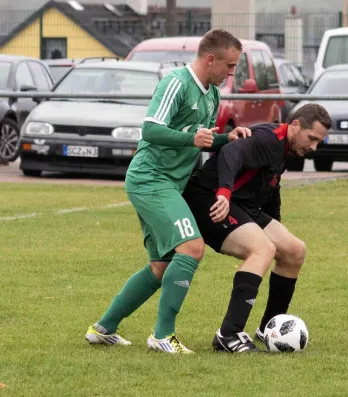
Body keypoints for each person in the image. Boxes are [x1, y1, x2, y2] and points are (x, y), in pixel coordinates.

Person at [85, 29, 250, 354]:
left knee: (161, 266)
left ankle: (102, 329)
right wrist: (192, 139)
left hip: (169, 184)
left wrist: (226, 139)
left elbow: (201, 137)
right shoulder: (176, 82)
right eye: (229, 66)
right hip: (151, 179)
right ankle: (162, 335)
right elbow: (150, 128)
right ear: (210, 58)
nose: (231, 74)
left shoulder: (212, 94)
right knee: (191, 248)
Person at [182, 103, 332, 353]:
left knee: (294, 250)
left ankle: (270, 328)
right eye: (312, 138)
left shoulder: (286, 147)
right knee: (262, 249)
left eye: (319, 142)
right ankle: (228, 335)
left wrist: (276, 223)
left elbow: (271, 187)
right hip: (208, 199)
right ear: (295, 126)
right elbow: (231, 152)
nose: (313, 147)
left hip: (242, 204)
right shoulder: (268, 139)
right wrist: (224, 193)